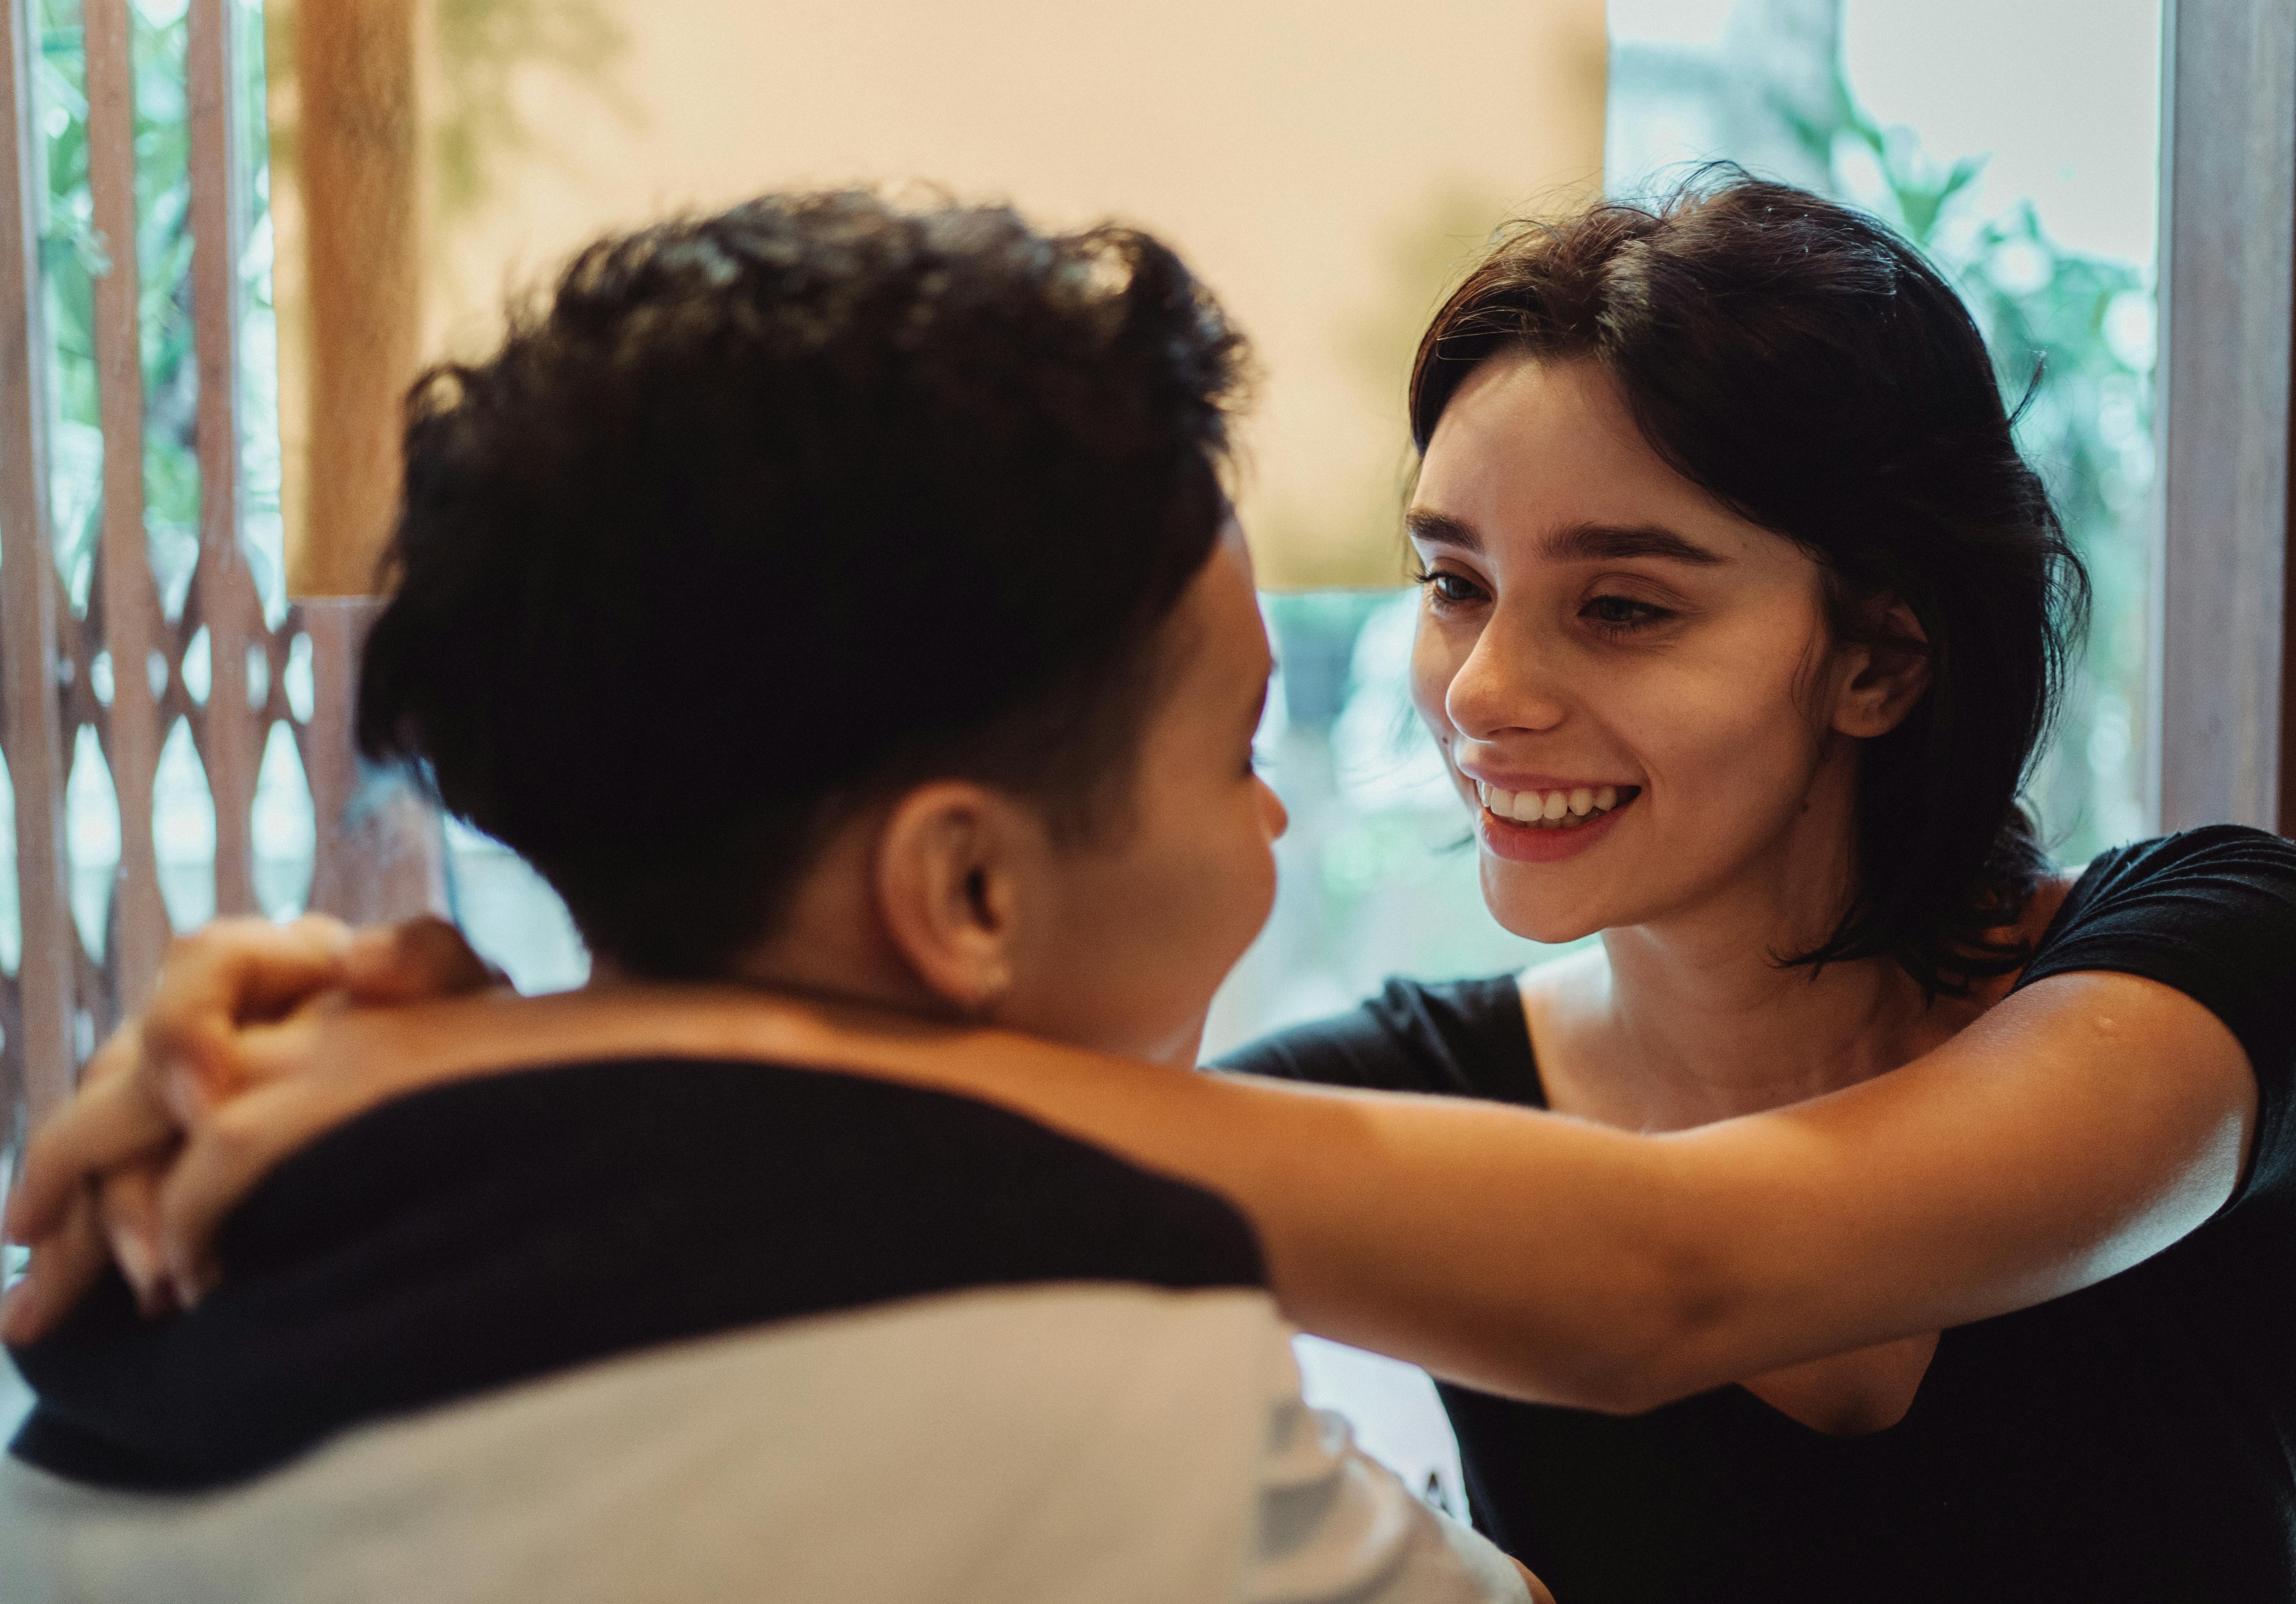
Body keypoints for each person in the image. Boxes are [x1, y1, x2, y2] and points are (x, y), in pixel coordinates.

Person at [10, 174, 2296, 1603]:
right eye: (1451, 582)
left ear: (1879, 649)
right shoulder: (1366, 1130)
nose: (1478, 695)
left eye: (1626, 606)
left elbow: (1681, 1274)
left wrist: (551, 1042)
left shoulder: (2222, 951)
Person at [0, 192, 1543, 1604]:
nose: (1274, 814)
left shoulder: (147, 1339)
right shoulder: (1100, 1404)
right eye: (1239, 750)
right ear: (971, 890)